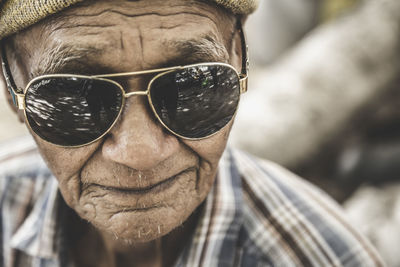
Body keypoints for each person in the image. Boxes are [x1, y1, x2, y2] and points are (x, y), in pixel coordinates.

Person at [0, 0, 384, 266]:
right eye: (74, 95)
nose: (140, 153)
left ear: (238, 57)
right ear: (11, 87)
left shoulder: (324, 256)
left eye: (192, 85)